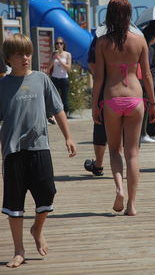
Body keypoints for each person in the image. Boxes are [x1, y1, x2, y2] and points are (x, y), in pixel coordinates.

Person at [0, 33, 76, 268]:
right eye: (19, 54)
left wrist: (68, 137)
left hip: (40, 147)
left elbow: (57, 110)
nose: (25, 58)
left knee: (47, 193)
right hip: (13, 152)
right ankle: (19, 250)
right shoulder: (2, 85)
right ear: (8, 59)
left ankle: (37, 229)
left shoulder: (42, 79)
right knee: (14, 204)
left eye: (28, 53)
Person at [92, 0, 155, 216]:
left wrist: (94, 105)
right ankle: (131, 205)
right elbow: (147, 75)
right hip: (136, 100)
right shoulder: (139, 41)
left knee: (114, 149)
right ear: (129, 15)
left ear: (108, 15)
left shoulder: (102, 43)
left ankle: (119, 188)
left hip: (111, 99)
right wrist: (153, 104)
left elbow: (99, 79)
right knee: (132, 153)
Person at [84, 36, 107, 176]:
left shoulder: (100, 38)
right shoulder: (131, 37)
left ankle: (98, 165)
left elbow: (91, 63)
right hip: (128, 91)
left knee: (100, 127)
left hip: (105, 91)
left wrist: (100, 77)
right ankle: (130, 166)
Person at [48, 37, 72, 115]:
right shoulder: (53, 53)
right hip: (55, 78)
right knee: (53, 97)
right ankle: (53, 114)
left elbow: (68, 68)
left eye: (61, 43)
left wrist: (59, 59)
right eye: (57, 43)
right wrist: (53, 59)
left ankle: (65, 113)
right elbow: (49, 67)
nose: (59, 45)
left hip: (64, 79)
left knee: (64, 98)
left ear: (63, 45)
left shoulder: (68, 54)